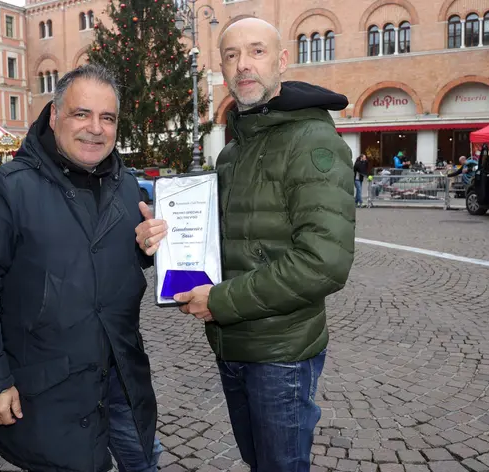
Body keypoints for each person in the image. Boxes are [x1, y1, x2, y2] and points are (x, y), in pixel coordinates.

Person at [136, 17, 355, 472]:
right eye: (232, 55)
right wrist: (161, 234)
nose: (243, 65)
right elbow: (219, 239)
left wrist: (222, 300)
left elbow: (325, 263)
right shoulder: (233, 152)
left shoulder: (314, 141)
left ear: (281, 60)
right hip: (232, 344)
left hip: (282, 353)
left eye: (256, 51)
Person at [0, 64, 161, 472]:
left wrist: (147, 249)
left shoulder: (128, 186)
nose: (95, 129)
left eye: (107, 118)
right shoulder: (5, 190)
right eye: (82, 114)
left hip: (123, 380)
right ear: (54, 115)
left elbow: (114, 261)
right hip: (50, 389)